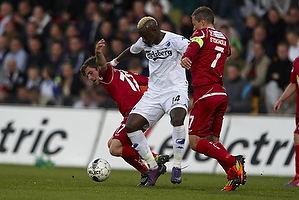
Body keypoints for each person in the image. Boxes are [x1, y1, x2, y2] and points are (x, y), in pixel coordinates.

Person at [109, 16, 190, 185]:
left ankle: (177, 165)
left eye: (145, 35)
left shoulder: (175, 40)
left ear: (154, 30)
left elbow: (193, 50)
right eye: (141, 36)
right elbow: (132, 49)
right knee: (131, 126)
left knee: (177, 118)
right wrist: (115, 61)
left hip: (175, 89)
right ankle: (153, 167)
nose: (143, 39)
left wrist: (188, 59)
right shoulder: (145, 41)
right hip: (154, 93)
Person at [80, 39, 169, 186]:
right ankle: (146, 172)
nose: (90, 78)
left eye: (90, 73)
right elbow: (149, 82)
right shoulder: (124, 74)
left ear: (98, 69)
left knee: (114, 148)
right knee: (112, 144)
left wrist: (98, 53)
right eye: (87, 76)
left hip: (135, 112)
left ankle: (154, 159)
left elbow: (102, 64)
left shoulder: (106, 75)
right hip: (143, 110)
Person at [180, 6, 246, 191]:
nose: (193, 30)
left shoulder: (201, 34)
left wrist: (187, 57)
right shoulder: (224, 38)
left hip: (205, 93)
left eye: (194, 25)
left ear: (202, 22)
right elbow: (228, 53)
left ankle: (234, 161)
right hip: (220, 93)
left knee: (195, 142)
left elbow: (195, 44)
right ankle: (233, 175)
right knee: (212, 140)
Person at [274, 55, 299, 187]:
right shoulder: (297, 61)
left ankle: (298, 176)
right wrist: (281, 99)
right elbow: (293, 84)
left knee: (297, 136)